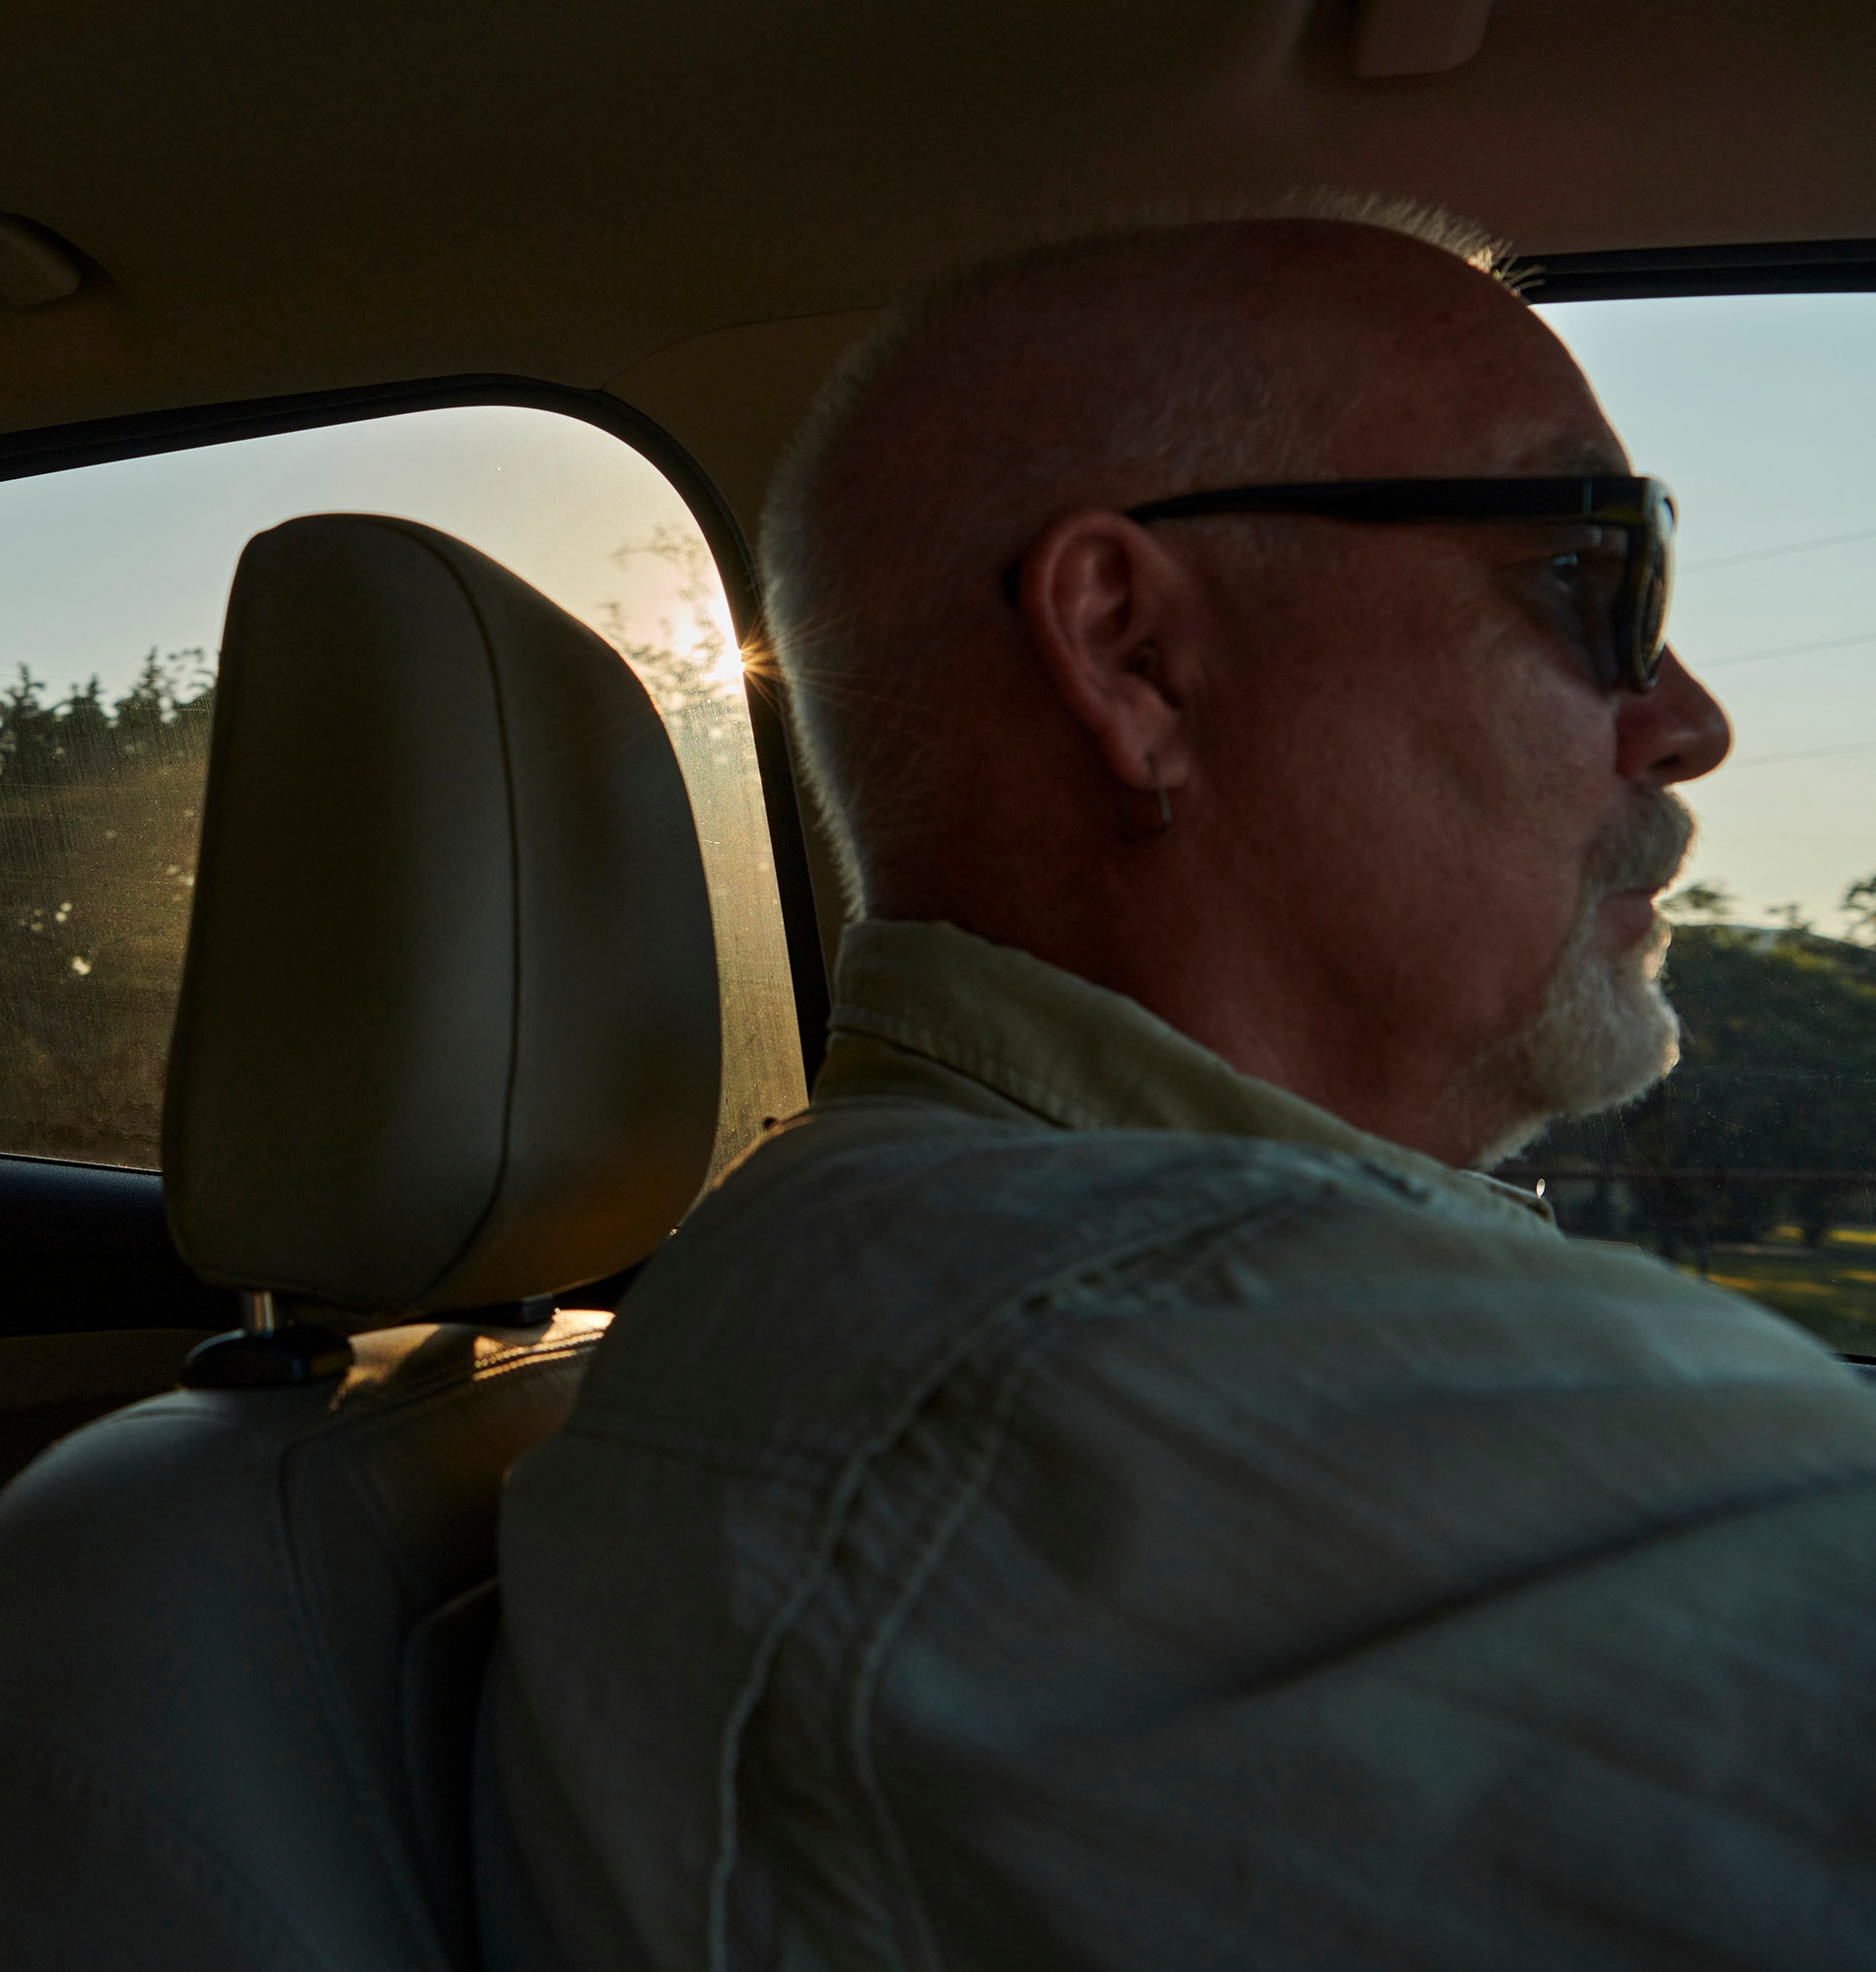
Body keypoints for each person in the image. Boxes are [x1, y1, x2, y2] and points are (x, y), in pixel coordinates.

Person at [491, 199, 1876, 1970]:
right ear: (1135, 658)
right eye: (1594, 579)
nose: (1689, 719)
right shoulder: (1145, 1343)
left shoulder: (980, 1292)